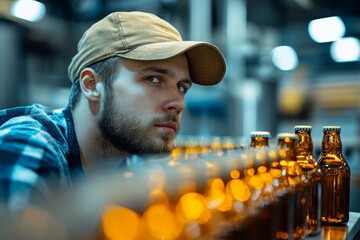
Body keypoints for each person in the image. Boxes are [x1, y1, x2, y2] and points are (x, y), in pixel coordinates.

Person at [0, 11, 226, 213]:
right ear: (91, 85)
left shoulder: (129, 165)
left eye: (181, 87)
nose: (178, 103)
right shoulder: (29, 144)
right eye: (154, 78)